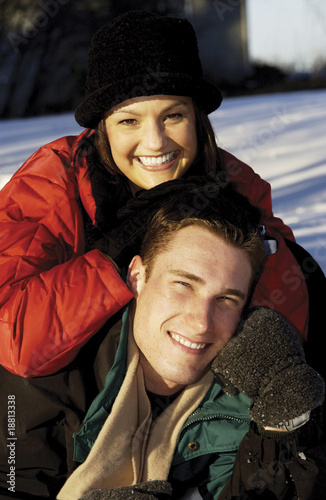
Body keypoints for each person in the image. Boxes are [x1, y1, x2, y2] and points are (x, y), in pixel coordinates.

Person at [0, 10, 319, 380]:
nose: (154, 142)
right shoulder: (51, 183)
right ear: (103, 128)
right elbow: (14, 338)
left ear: (197, 119)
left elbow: (286, 315)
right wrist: (117, 251)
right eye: (129, 121)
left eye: (173, 116)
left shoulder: (236, 185)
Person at [0, 183, 324, 500]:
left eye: (226, 299)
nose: (201, 322)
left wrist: (284, 430)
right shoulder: (39, 386)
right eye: (183, 284)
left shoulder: (246, 396)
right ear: (137, 277)